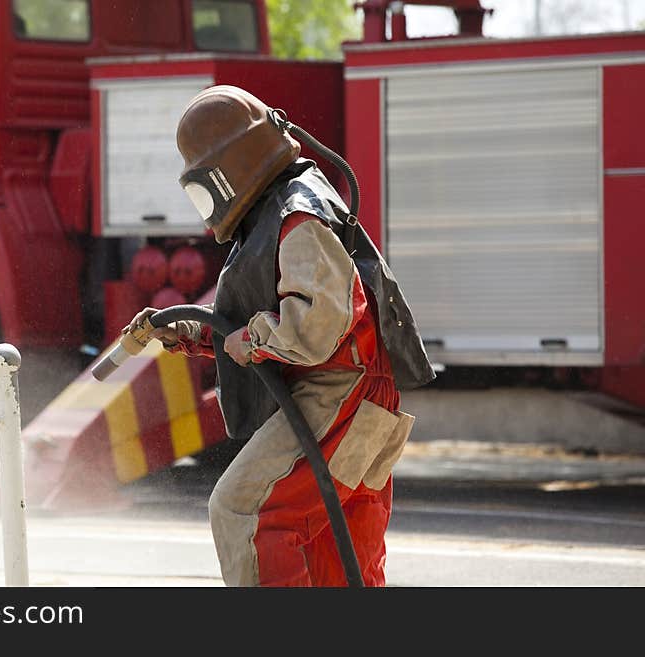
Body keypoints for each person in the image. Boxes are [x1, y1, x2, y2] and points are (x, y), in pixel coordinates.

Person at [124, 85, 434, 587]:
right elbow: (277, 317)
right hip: (358, 397)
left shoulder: (297, 217)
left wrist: (246, 338)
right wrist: (195, 333)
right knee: (333, 552)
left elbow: (316, 327)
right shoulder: (280, 210)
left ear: (229, 169)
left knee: (243, 511)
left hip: (340, 397)